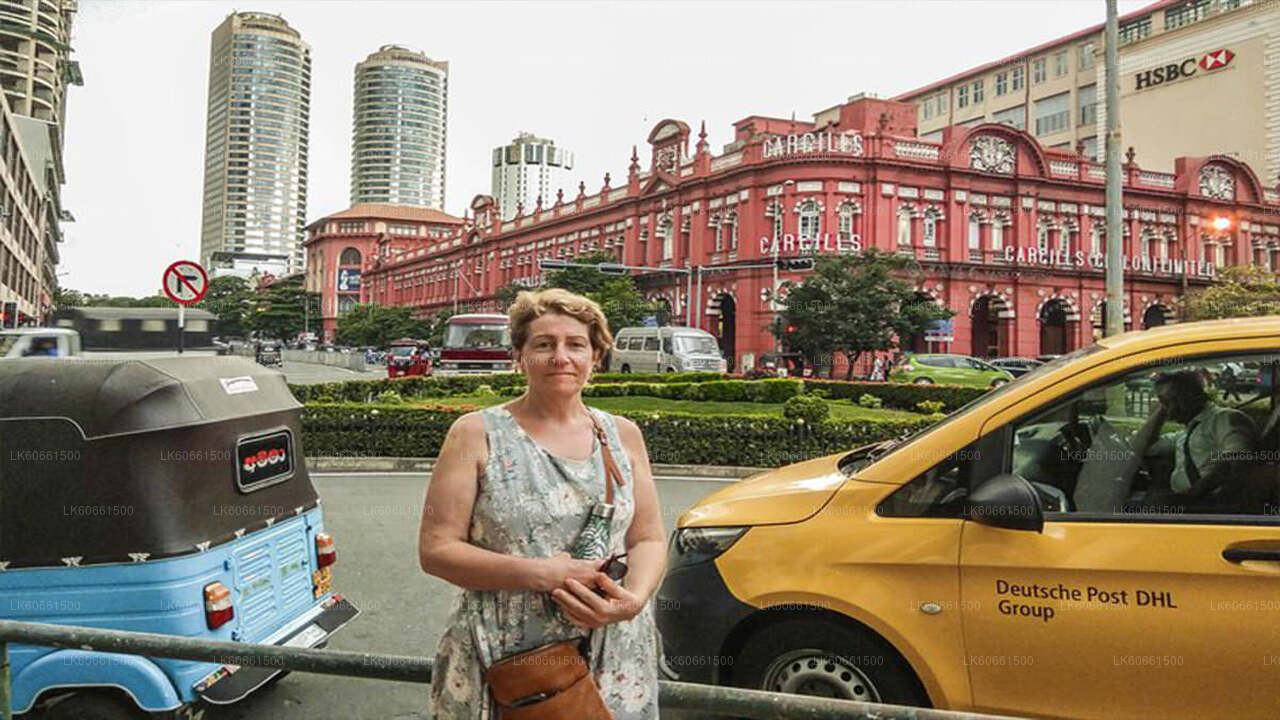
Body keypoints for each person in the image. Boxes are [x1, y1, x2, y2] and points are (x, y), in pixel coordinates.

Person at [419, 288, 665, 719]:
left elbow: (647, 537)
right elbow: (437, 550)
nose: (561, 357)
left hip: (613, 648)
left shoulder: (622, 435)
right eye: (543, 344)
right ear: (520, 355)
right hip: (505, 653)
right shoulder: (476, 433)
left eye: (575, 344)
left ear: (596, 355)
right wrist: (541, 574)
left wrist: (634, 599)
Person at [1132, 370, 1259, 511]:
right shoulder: (1187, 432)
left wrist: (1189, 497)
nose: (1170, 409)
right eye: (1165, 403)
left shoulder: (1225, 419)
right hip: (1187, 503)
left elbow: (1235, 460)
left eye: (1173, 400)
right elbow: (1139, 447)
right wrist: (1161, 410)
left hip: (1208, 507)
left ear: (1192, 395)